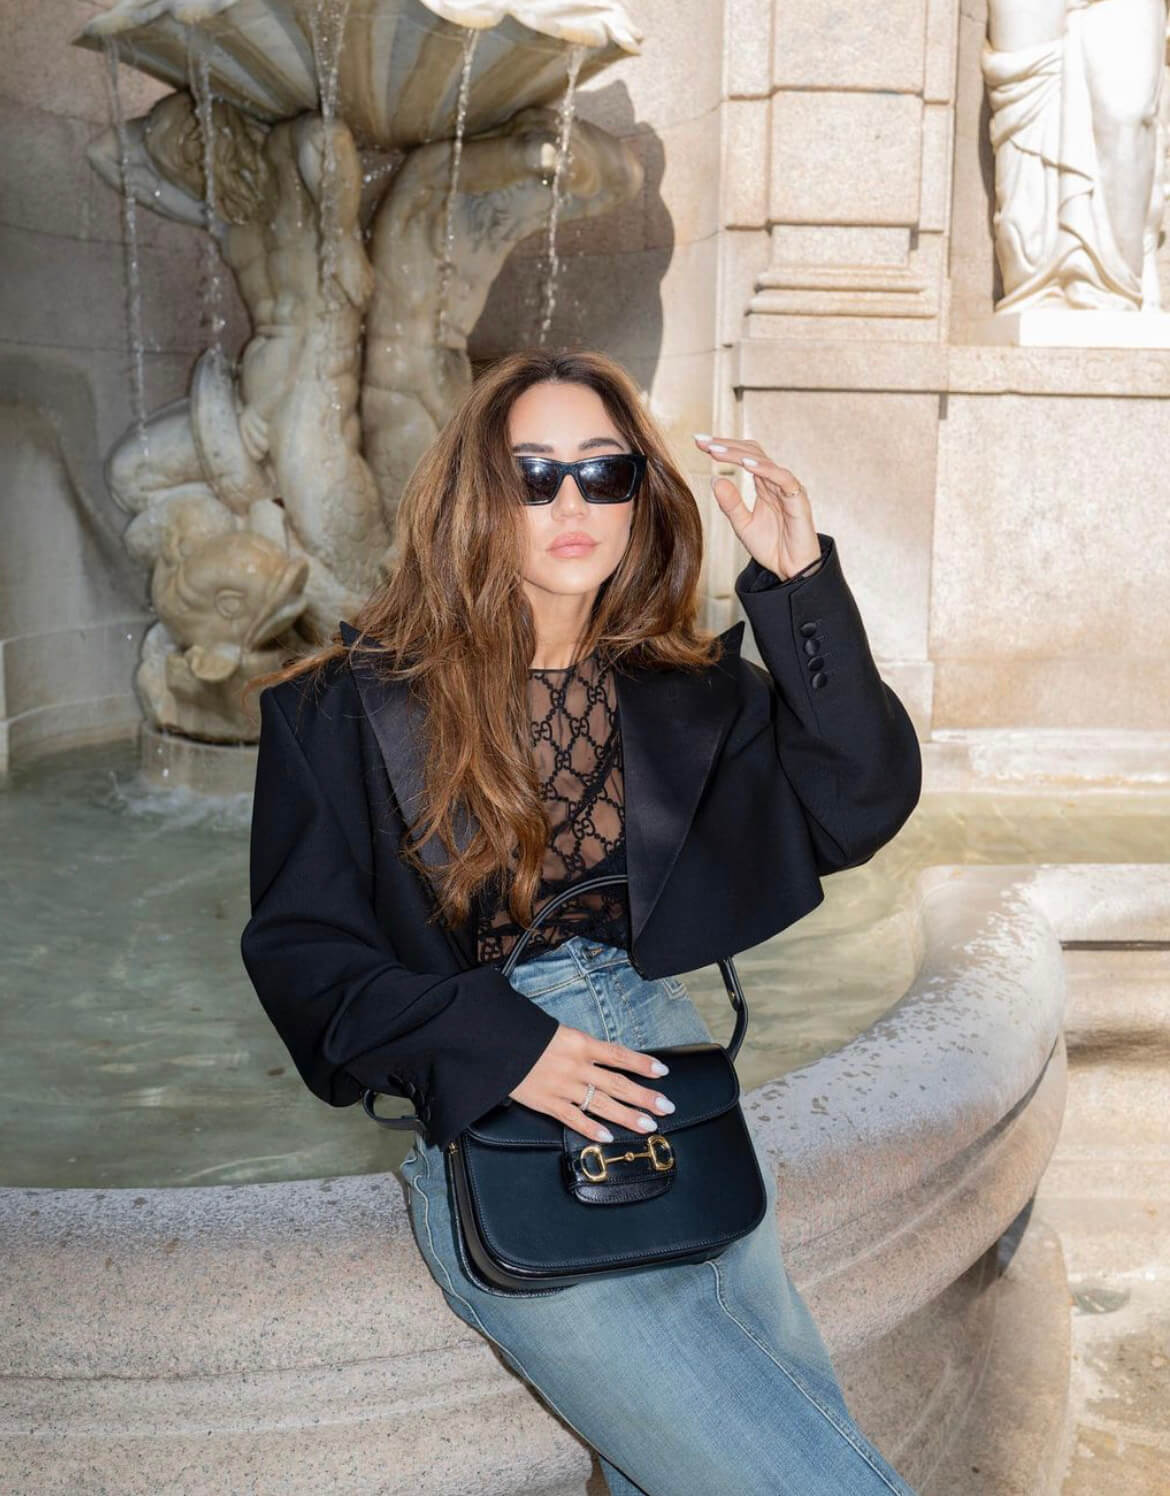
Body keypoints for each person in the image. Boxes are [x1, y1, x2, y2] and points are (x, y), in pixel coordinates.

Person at [239, 349, 923, 1495]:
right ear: (477, 495)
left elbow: (860, 800)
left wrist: (798, 581)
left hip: (678, 1094)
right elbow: (302, 957)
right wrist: (503, 1043)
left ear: (639, 496)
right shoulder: (339, 708)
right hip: (510, 1114)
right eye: (534, 474)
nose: (572, 503)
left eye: (604, 473)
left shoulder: (692, 691)